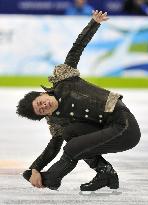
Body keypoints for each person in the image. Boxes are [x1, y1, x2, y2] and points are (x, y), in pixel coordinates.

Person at [16, 10, 141, 192]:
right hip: (108, 130)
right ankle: (106, 172)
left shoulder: (64, 79)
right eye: (41, 111)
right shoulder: (56, 121)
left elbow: (77, 48)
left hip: (124, 126)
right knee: (70, 134)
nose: (44, 106)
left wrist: (94, 23)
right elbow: (53, 146)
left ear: (41, 94)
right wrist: (35, 167)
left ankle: (50, 179)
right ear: (45, 115)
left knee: (74, 146)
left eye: (39, 102)